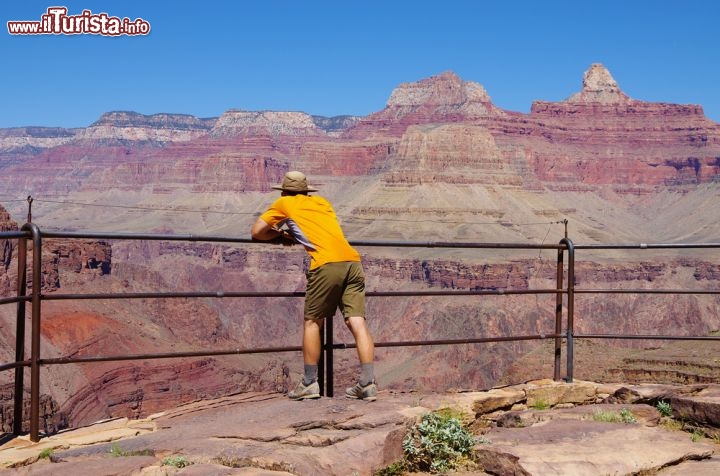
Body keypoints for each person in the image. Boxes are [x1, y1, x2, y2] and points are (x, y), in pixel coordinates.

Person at [250, 171, 377, 401]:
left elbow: (257, 232)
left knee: (312, 322)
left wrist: (280, 235)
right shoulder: (322, 201)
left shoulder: (284, 202)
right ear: (306, 190)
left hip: (326, 264)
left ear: (285, 190)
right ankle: (368, 384)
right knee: (357, 322)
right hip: (352, 261)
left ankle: (309, 383)